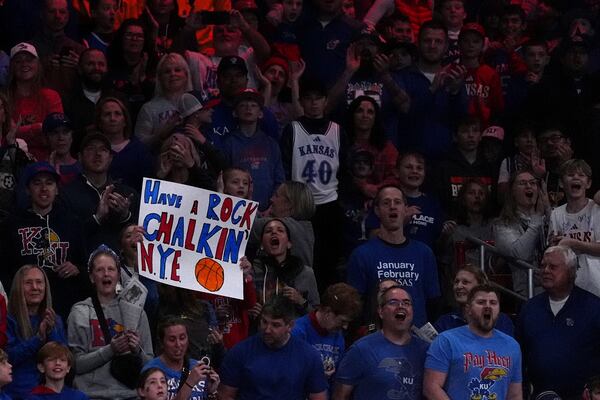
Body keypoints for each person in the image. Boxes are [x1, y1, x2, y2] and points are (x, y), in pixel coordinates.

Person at [280, 78, 348, 289]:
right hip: (300, 206)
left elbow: (345, 168)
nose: (313, 103)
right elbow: (284, 165)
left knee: (328, 262)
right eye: (308, 99)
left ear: (325, 100)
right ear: (302, 101)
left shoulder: (337, 130)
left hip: (330, 203)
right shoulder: (292, 129)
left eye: (318, 98)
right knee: (302, 259)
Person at [2, 162, 88, 319]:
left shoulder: (72, 222)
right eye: (37, 183)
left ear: (56, 190)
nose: (44, 188)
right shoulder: (12, 224)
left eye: (49, 183)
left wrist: (76, 269)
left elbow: (86, 266)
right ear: (28, 190)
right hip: (23, 308)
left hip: (64, 305)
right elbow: (4, 269)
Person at [347, 185, 440, 328]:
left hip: (417, 339)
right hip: (378, 339)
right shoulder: (362, 254)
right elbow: (355, 305)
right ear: (377, 210)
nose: (392, 207)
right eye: (386, 202)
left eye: (397, 202)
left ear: (405, 208)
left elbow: (433, 302)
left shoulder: (424, 253)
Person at [68, 245, 154, 399]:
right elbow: (76, 365)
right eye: (100, 270)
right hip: (92, 396)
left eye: (111, 269)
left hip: (131, 395)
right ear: (92, 277)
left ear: (118, 274)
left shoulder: (138, 312)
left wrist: (138, 351)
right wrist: (110, 350)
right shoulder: (80, 312)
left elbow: (151, 365)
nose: (106, 274)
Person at [516, 246, 600, 399]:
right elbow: (519, 355)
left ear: (571, 272)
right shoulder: (529, 308)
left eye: (553, 267)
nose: (546, 270)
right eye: (543, 266)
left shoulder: (594, 308)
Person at [218, 295, 328, 399]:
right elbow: (225, 395)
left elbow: (318, 397)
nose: (267, 330)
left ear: (290, 326)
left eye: (275, 325)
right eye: (264, 322)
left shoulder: (309, 356)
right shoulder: (239, 352)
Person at [424, 285, 523, 400]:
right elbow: (431, 388)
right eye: (481, 302)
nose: (488, 307)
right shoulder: (446, 341)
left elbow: (515, 395)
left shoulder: (512, 346)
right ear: (468, 309)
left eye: (493, 303)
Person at [333, 286, 429, 400]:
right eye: (393, 302)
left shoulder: (426, 350)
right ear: (381, 312)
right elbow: (340, 395)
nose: (401, 306)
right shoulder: (361, 350)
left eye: (406, 303)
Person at [61, 133, 138, 251]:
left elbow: (141, 237)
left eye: (103, 149)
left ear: (110, 158)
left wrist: (125, 216)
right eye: (91, 149)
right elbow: (66, 238)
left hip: (120, 267)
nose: (97, 154)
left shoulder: (127, 193)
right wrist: (96, 219)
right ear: (80, 157)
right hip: (83, 266)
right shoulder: (66, 195)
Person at [5, 265, 67, 400]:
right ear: (18, 288)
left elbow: (63, 359)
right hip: (18, 392)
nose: (35, 287)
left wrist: (51, 330)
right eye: (28, 283)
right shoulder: (7, 320)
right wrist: (38, 338)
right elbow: (8, 358)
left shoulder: (54, 319)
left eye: (39, 282)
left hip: (51, 391)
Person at [223, 89, 284, 211]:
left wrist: (272, 207)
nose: (248, 108)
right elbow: (224, 180)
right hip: (238, 210)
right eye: (243, 105)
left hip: (267, 210)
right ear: (235, 113)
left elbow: (280, 180)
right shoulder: (228, 143)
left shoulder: (271, 144)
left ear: (261, 113)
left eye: (253, 105)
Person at [292, 283, 361, 389]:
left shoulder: (337, 335)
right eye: (342, 321)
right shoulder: (297, 332)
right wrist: (315, 377)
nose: (345, 327)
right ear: (328, 312)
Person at [548, 159, 600, 297]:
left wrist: (572, 243)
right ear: (561, 183)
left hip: (596, 285)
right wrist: (554, 246)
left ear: (588, 183)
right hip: (568, 288)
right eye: (570, 174)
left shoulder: (597, 209)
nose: (576, 177)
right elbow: (554, 253)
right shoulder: (556, 213)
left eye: (581, 175)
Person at [494, 170, 548, 296]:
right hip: (528, 289)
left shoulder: (549, 217)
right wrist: (537, 217)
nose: (529, 186)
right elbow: (520, 254)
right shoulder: (502, 224)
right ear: (512, 192)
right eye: (522, 183)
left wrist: (548, 210)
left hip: (556, 286)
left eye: (533, 183)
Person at [8, 42, 64, 162]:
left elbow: (56, 135)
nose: (24, 64)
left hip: (46, 162)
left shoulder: (51, 96)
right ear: (11, 66)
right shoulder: (4, 98)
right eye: (18, 61)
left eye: (29, 60)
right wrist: (37, 128)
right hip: (10, 161)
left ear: (38, 64)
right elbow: (5, 135)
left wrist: (18, 133)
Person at [142, 316, 220, 400]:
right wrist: (190, 383)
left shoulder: (197, 367)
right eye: (172, 340)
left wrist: (211, 392)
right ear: (162, 343)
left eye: (182, 338)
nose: (178, 344)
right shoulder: (151, 371)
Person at [253, 219, 320, 314]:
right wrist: (250, 311)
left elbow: (317, 315)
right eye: (268, 231)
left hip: (294, 327)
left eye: (280, 230)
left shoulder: (305, 273)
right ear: (262, 245)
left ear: (289, 244)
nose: (274, 232)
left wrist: (300, 301)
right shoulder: (253, 272)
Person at [250, 180, 315, 268]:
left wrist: (246, 198)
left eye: (276, 195)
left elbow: (248, 227)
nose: (271, 199)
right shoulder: (304, 227)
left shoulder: (285, 226)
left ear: (289, 204)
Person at [434, 264, 515, 335]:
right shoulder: (445, 322)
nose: (458, 286)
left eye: (465, 282)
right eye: (456, 282)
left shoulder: (500, 320)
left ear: (480, 286)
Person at [345, 95, 399, 199]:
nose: (365, 115)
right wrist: (362, 186)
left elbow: (395, 176)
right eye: (360, 111)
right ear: (352, 115)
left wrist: (377, 189)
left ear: (375, 117)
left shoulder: (386, 147)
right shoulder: (341, 143)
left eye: (370, 112)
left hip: (379, 200)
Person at [135, 52, 192, 149]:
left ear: (186, 75)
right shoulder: (149, 109)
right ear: (160, 78)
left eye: (177, 70)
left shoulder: (198, 104)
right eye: (167, 71)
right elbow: (138, 144)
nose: (173, 74)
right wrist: (160, 135)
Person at [95, 96, 154, 189]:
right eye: (107, 114)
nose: (112, 118)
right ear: (100, 122)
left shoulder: (140, 151)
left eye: (117, 114)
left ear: (125, 120)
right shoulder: (93, 152)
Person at [106, 19, 157, 121]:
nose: (134, 39)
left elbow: (156, 101)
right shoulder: (109, 66)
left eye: (139, 36)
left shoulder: (153, 68)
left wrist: (143, 79)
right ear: (121, 38)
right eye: (129, 34)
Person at [42, 113, 80, 185]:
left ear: (72, 136)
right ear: (46, 138)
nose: (61, 138)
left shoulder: (84, 168)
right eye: (55, 133)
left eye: (65, 132)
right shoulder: (38, 170)